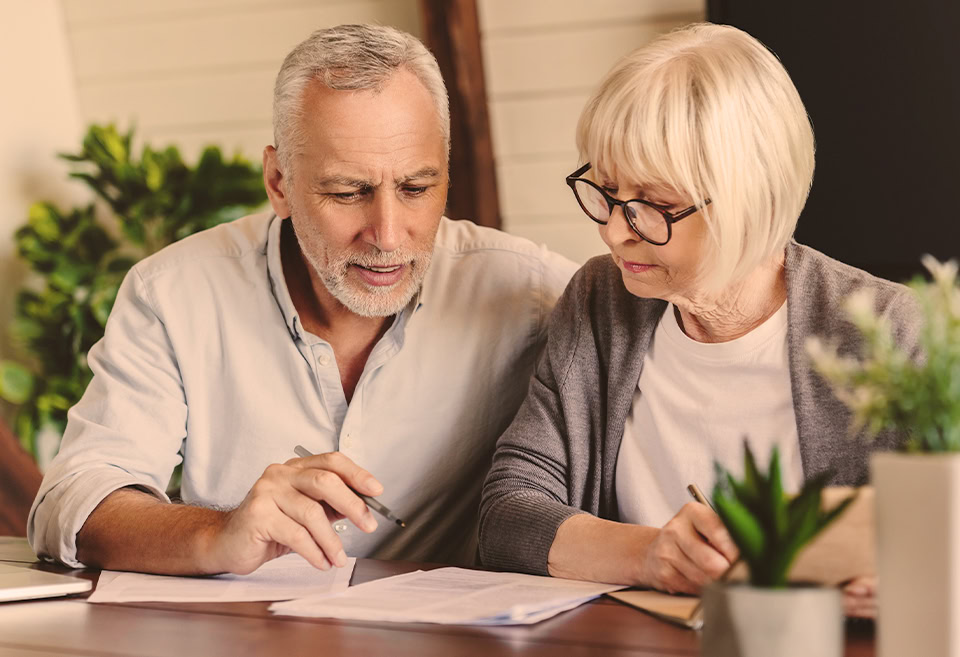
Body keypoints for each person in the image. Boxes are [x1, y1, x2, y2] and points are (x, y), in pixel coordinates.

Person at [29, 24, 576, 575]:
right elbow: (71, 501)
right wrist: (218, 533)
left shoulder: (529, 292)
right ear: (279, 182)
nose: (387, 235)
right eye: (347, 192)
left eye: (416, 188)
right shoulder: (172, 294)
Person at [478, 23, 918, 618]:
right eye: (606, 191)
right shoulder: (600, 300)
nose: (612, 230)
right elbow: (508, 514)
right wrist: (649, 553)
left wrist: (917, 577)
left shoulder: (890, 332)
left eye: (653, 205)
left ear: (748, 197)